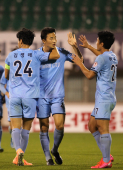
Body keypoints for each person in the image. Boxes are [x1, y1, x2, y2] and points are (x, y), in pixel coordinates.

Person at [4, 28, 60, 166]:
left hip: (15, 96)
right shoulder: (36, 55)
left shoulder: (11, 56)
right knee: (26, 129)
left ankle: (18, 151)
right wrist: (53, 43)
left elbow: (5, 76)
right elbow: (55, 56)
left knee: (15, 126)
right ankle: (21, 154)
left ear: (20, 41)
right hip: (30, 97)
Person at [37, 27, 83, 165]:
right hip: (41, 97)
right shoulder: (36, 55)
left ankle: (55, 150)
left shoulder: (62, 52)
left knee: (60, 125)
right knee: (44, 128)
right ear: (43, 40)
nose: (54, 40)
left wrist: (75, 46)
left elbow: (80, 60)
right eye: (51, 38)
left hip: (57, 97)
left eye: (55, 37)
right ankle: (48, 158)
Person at [71, 31, 117, 168]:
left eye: (97, 41)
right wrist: (89, 47)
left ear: (101, 43)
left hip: (104, 98)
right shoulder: (112, 56)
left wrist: (79, 63)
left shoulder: (102, 58)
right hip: (105, 98)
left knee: (103, 128)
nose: (96, 42)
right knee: (92, 126)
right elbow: (101, 56)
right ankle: (107, 154)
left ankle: (106, 159)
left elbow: (90, 75)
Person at [0, 47, 19, 149]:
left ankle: (17, 141)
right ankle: (13, 138)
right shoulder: (7, 70)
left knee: (19, 123)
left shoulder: (25, 70)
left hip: (22, 97)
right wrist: (6, 93)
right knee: (11, 123)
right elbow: (1, 85)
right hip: (11, 99)